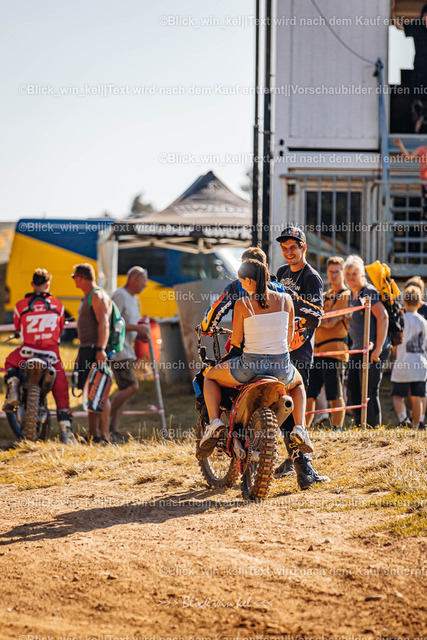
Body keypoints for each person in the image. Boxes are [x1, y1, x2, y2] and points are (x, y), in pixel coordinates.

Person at [199, 259, 312, 459]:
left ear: (250, 281)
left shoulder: (242, 303)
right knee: (298, 383)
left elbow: (236, 341)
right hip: (281, 369)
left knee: (210, 377)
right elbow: (288, 338)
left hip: (250, 367)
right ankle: (300, 428)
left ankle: (214, 423)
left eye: (242, 281)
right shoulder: (286, 300)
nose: (241, 285)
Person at [274, 226, 329, 490]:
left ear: (303, 247)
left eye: (293, 247)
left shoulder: (311, 277)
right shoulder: (281, 273)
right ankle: (298, 463)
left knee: (294, 411)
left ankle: (303, 468)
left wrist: (291, 299)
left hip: (299, 352)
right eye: (284, 248)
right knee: (282, 409)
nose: (288, 252)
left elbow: (317, 314)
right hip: (277, 349)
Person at [3, 268, 74, 444]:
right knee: (61, 388)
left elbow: (18, 327)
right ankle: (66, 432)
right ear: (48, 285)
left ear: (32, 284)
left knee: (9, 362)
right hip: (51, 355)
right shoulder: (58, 305)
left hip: (27, 352)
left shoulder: (21, 305)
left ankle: (13, 388)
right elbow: (60, 329)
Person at [344, 255, 389, 428]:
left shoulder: (368, 292)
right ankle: (359, 427)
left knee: (369, 391)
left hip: (372, 350)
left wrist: (378, 349)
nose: (350, 277)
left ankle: (372, 429)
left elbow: (383, 317)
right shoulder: (351, 295)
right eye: (348, 274)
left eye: (354, 273)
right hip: (357, 350)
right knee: (353, 390)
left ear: (362, 274)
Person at [306, 257, 350, 431]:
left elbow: (330, 322)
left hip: (334, 352)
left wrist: (316, 318)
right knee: (309, 394)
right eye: (330, 271)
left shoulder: (346, 295)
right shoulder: (324, 296)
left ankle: (337, 429)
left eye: (337, 272)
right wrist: (317, 318)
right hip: (315, 352)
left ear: (343, 273)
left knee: (335, 394)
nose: (333, 275)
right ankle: (304, 429)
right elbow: (314, 318)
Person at [109, 267, 150, 442]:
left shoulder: (134, 299)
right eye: (143, 280)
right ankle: (104, 420)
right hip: (118, 350)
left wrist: (139, 334)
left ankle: (113, 429)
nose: (146, 284)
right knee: (131, 387)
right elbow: (112, 322)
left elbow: (128, 325)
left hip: (127, 349)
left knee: (124, 389)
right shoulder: (120, 295)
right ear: (133, 279)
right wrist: (138, 328)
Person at [73, 263, 112, 444]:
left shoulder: (97, 295)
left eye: (74, 277)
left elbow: (104, 323)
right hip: (87, 349)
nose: (74, 281)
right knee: (91, 392)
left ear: (80, 277)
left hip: (94, 350)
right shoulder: (89, 296)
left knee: (100, 391)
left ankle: (105, 436)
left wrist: (100, 349)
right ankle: (93, 435)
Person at [391, 285, 427, 429]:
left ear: (404, 301)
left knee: (397, 395)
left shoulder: (402, 320)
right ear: (419, 302)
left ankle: (403, 419)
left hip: (403, 361)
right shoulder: (423, 322)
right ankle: (417, 425)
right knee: (418, 396)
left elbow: (396, 342)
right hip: (420, 362)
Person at [392, 2, 427, 132]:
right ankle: (418, 126)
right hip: (419, 72)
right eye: (425, 17)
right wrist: (392, 10)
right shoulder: (418, 27)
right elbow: (399, 26)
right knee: (417, 101)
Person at [394, 139, 427, 227]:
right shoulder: (422, 149)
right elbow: (409, 157)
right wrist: (401, 146)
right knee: (425, 204)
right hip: (424, 182)